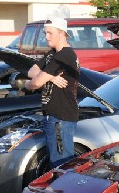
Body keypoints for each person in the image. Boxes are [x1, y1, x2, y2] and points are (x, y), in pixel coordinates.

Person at [25, 17, 80, 168]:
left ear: (62, 33)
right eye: (45, 33)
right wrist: (52, 77)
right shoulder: (52, 54)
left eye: (50, 33)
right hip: (53, 116)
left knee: (60, 164)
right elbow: (32, 70)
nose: (46, 37)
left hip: (61, 117)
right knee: (55, 162)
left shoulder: (65, 56)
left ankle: (62, 191)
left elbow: (35, 82)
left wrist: (26, 83)